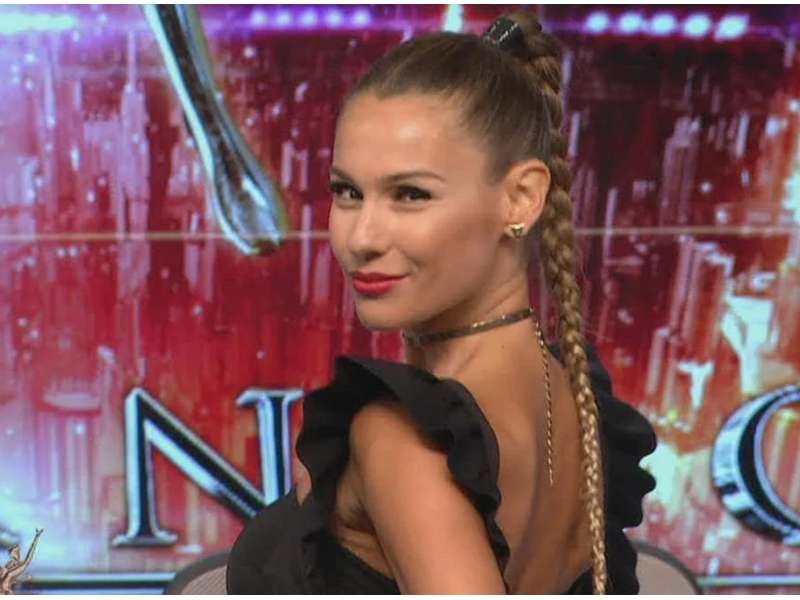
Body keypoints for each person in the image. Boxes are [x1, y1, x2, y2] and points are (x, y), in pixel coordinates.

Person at [227, 11, 657, 594]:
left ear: (522, 198)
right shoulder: (571, 396)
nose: (361, 237)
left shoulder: (406, 438)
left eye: (411, 195)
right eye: (347, 192)